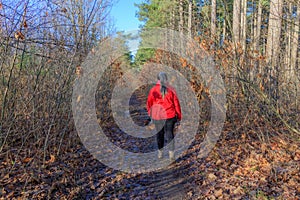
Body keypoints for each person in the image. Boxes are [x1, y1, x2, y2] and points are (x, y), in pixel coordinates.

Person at [146, 72, 182, 161]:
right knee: (170, 134)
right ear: (166, 79)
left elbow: (149, 104)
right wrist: (179, 115)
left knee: (159, 134)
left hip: (157, 116)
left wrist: (150, 114)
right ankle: (171, 154)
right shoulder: (171, 89)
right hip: (170, 115)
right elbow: (176, 103)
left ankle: (160, 153)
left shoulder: (153, 90)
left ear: (157, 79)